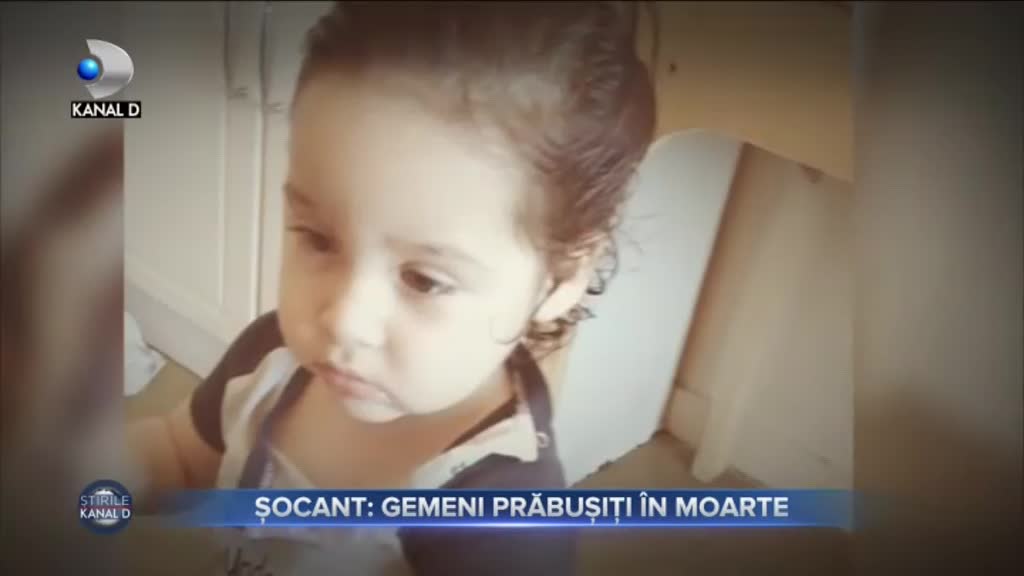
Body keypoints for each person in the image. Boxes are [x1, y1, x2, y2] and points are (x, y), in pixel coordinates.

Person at [129, 2, 656, 574]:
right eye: (319, 239)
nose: (342, 320)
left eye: (424, 279)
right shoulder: (269, 357)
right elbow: (181, 456)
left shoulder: (503, 525)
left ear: (562, 278)